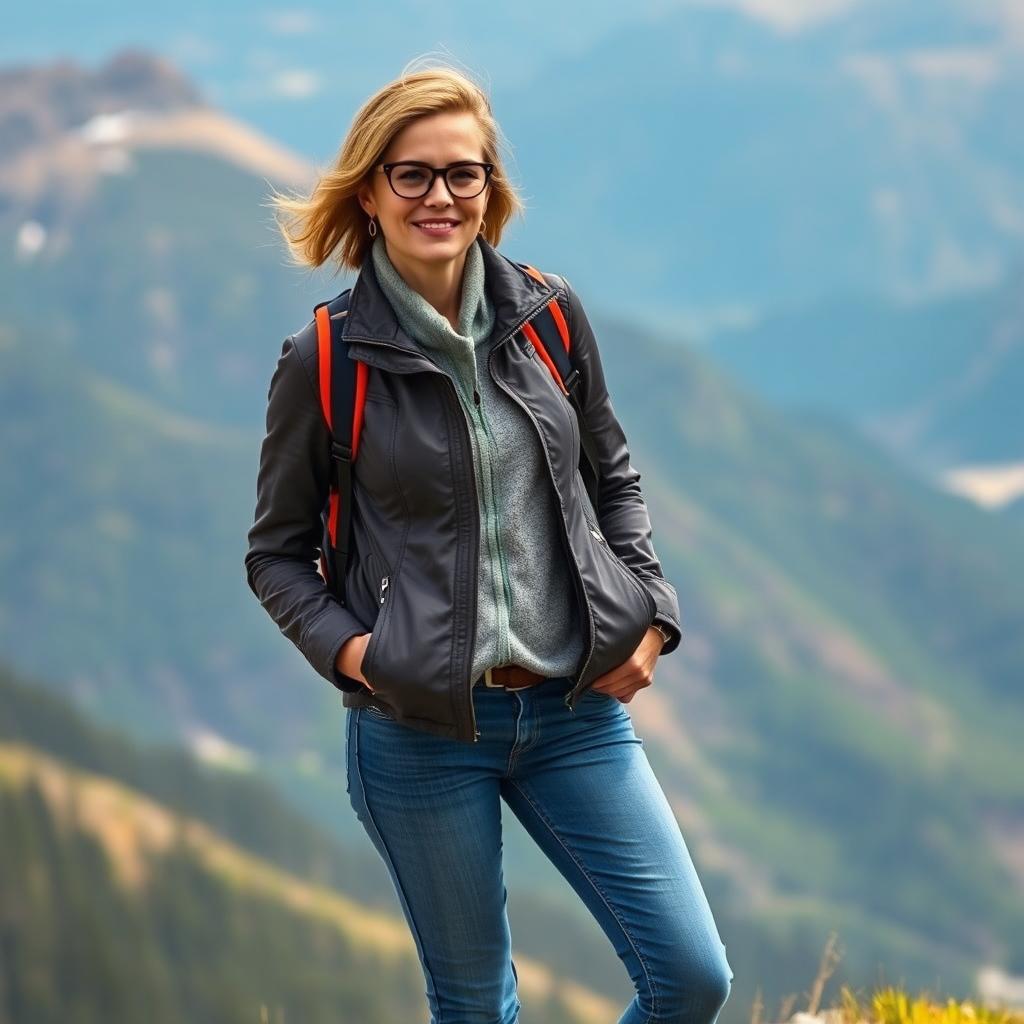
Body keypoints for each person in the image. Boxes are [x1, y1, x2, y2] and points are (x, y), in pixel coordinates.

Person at [245, 61, 733, 1024]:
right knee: (475, 1007)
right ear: (371, 191)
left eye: (462, 173)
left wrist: (652, 621)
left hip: (575, 713)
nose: (440, 195)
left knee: (690, 978)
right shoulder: (328, 358)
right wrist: (358, 656)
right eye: (412, 174)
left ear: (490, 189)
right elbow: (275, 552)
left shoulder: (549, 316)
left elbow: (614, 480)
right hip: (419, 733)